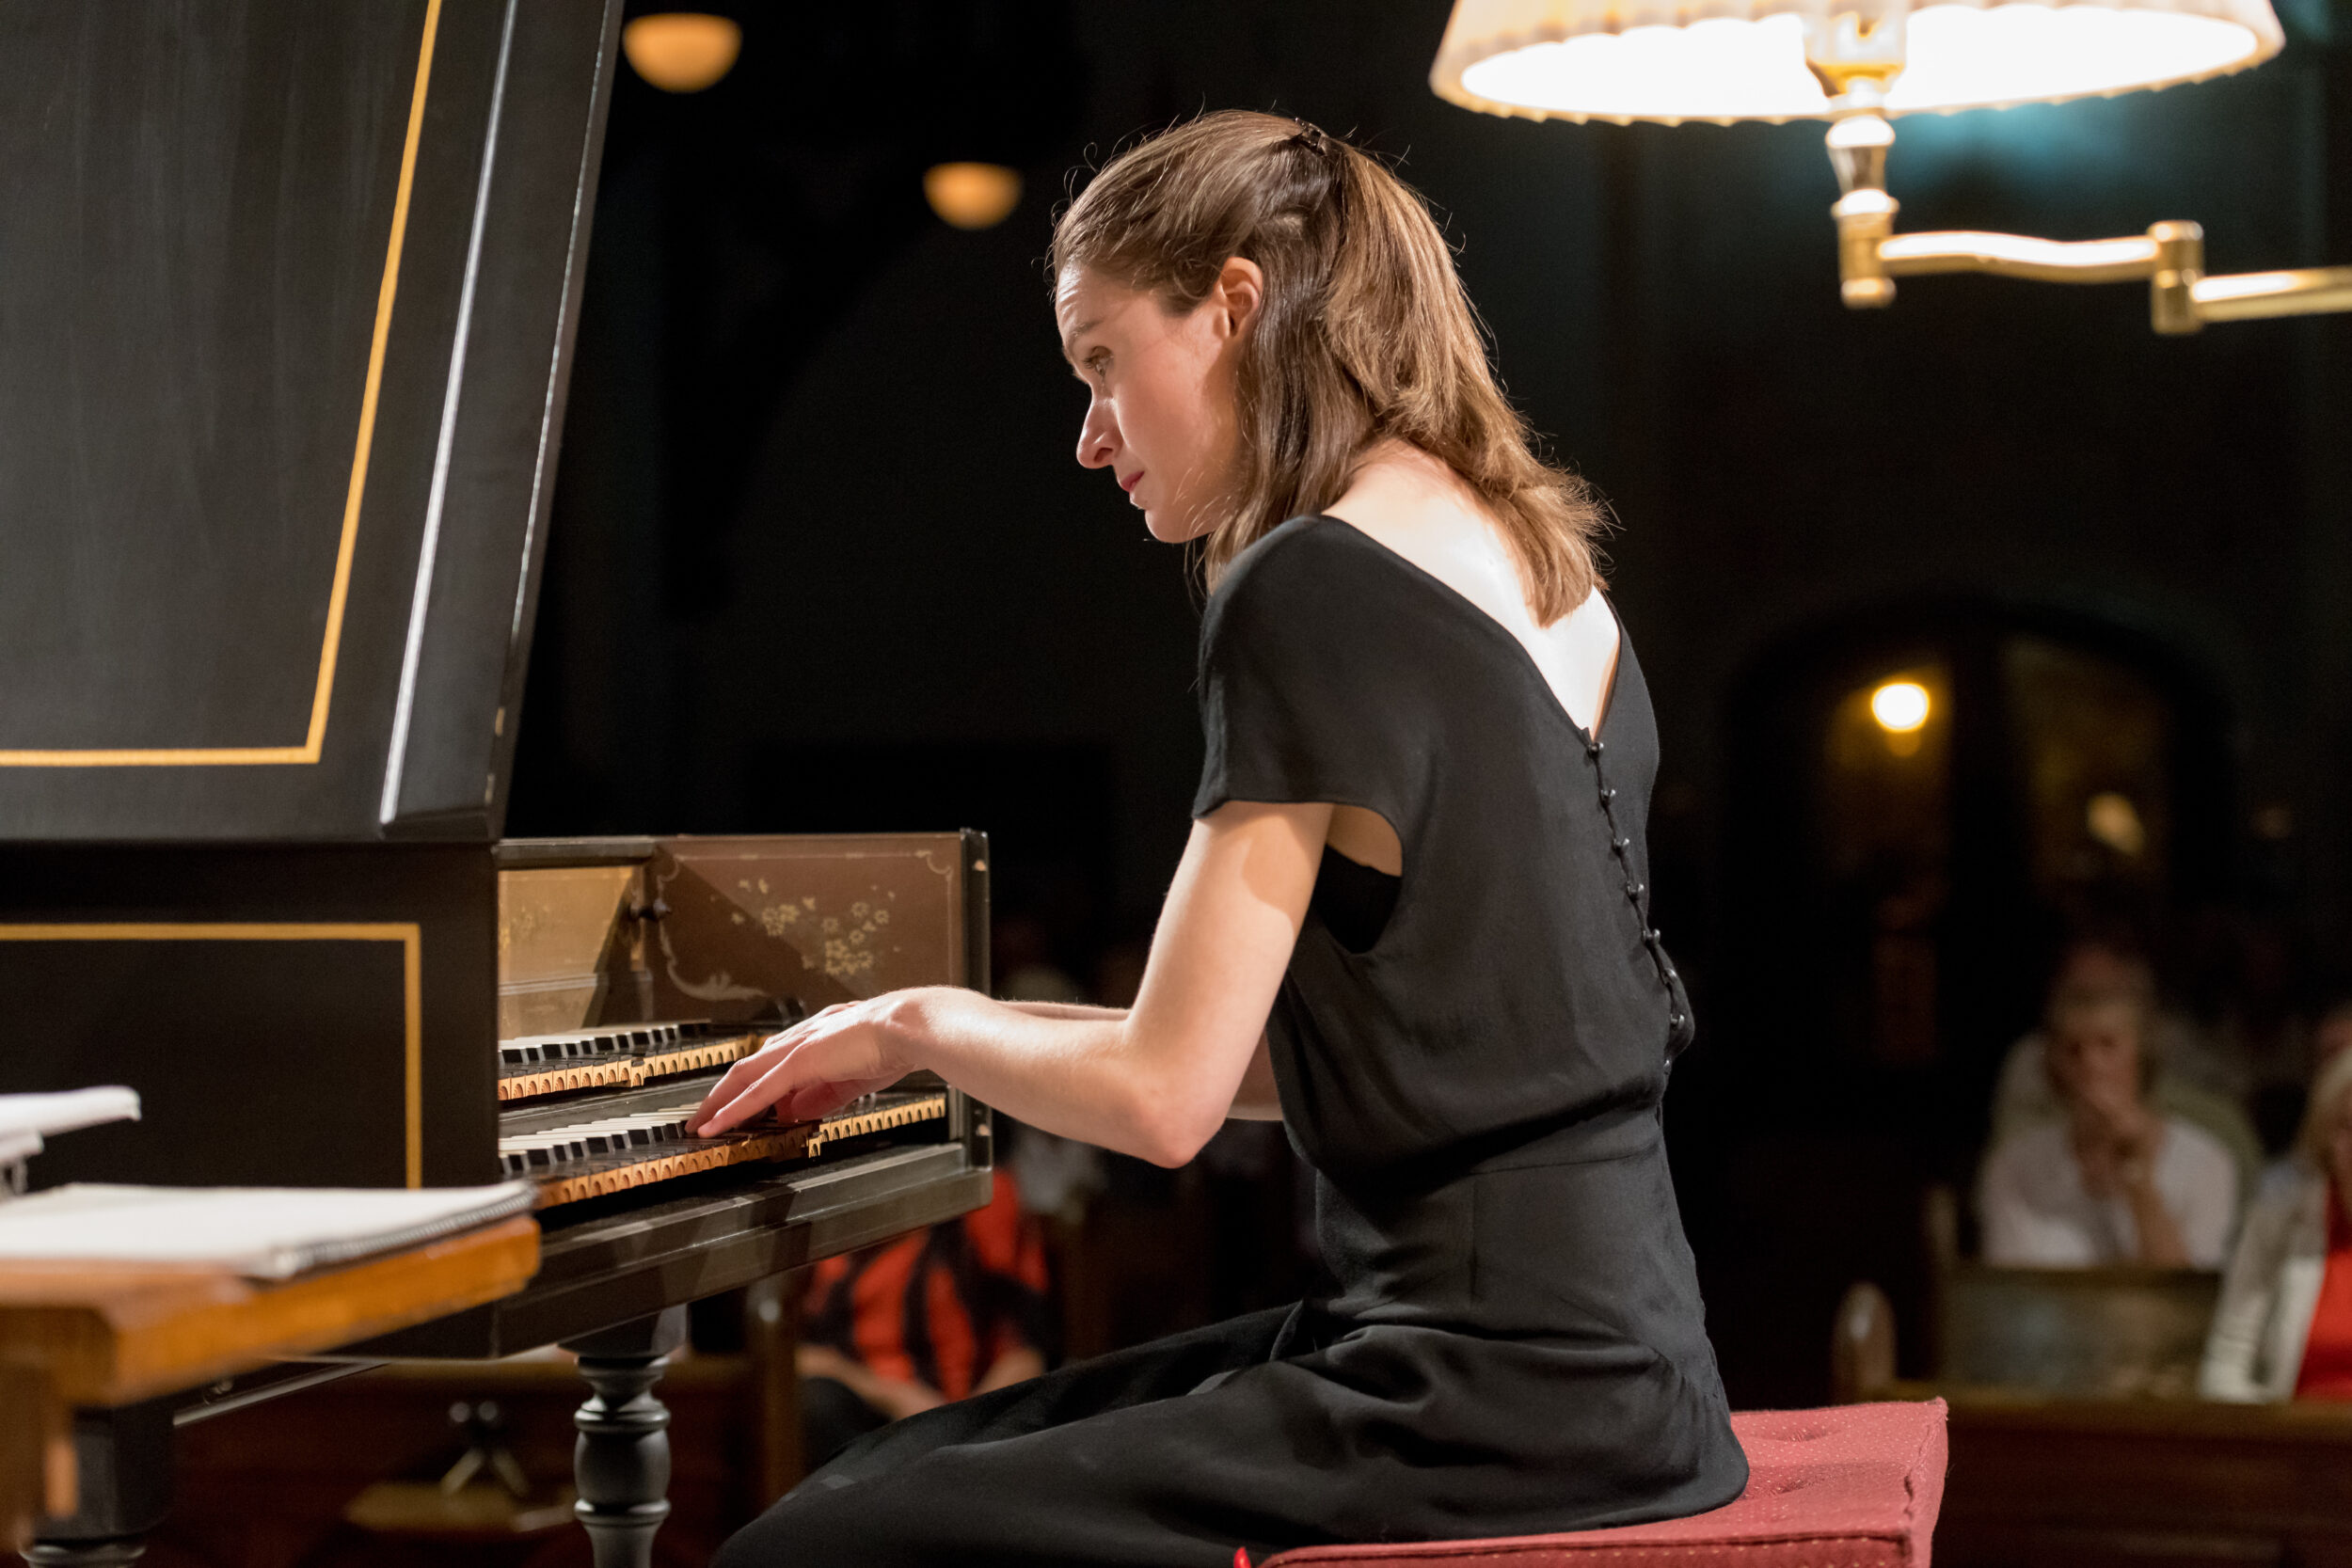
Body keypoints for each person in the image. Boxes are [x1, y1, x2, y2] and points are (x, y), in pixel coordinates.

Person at [694, 110, 1746, 1567]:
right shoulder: (1547, 565)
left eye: (1103, 361)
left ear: (1237, 306)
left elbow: (1164, 1098)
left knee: (811, 1543)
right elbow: (1389, 1055)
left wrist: (913, 1019)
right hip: (1639, 1375)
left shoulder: (1307, 585)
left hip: (1479, 1393)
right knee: (913, 1453)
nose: (1089, 435)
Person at [797, 1166, 1052, 1466]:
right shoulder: (826, 1208)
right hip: (867, 1415)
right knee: (816, 1403)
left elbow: (1027, 1354)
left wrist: (957, 1427)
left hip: (971, 1418)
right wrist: (892, 1395)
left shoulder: (982, 1194)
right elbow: (801, 1354)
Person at [1979, 980, 2239, 1268]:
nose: (2090, 1063)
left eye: (2108, 1044)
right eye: (2073, 1050)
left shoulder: (2207, 1162)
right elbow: (2012, 1292)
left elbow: (2186, 1293)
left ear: (2142, 1056)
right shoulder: (2014, 1167)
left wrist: (2137, 1173)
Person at [1988, 937, 2263, 1193]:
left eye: (2107, 1043)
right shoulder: (2019, 1160)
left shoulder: (2204, 1152)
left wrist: (2136, 1166)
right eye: (2079, 995)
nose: (2091, 1061)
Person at [2202, 1022, 2352, 1400]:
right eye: (2348, 1126)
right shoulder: (2279, 1216)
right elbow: (2226, 1360)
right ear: (2326, 1136)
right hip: (2294, 1444)